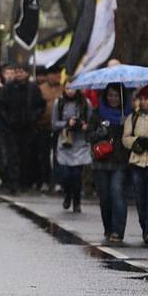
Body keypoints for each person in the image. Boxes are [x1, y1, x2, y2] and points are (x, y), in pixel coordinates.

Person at [87, 83, 131, 242]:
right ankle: (108, 228)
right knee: (105, 197)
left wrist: (124, 125)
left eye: (117, 96)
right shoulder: (98, 112)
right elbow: (88, 136)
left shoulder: (129, 113)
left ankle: (118, 231)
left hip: (120, 161)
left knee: (117, 193)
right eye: (110, 95)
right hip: (101, 162)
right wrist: (101, 132)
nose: (113, 99)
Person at [0, 64, 46, 193]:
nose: (19, 74)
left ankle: (24, 181)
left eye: (21, 72)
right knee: (12, 155)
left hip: (27, 127)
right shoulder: (8, 87)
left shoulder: (33, 88)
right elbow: (1, 105)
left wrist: (33, 117)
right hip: (11, 127)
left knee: (25, 155)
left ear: (27, 73)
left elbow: (40, 105)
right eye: (17, 72)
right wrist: (8, 119)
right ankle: (13, 182)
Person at [122, 85, 148, 244]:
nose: (144, 102)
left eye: (147, 99)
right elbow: (125, 138)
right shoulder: (133, 118)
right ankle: (144, 224)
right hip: (137, 162)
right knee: (140, 198)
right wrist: (136, 143)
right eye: (142, 98)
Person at [51, 83, 92, 213]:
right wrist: (67, 123)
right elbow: (54, 123)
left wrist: (85, 125)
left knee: (77, 175)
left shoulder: (86, 103)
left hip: (80, 143)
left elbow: (91, 122)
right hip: (65, 141)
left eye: (73, 88)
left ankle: (77, 201)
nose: (70, 91)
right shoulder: (59, 102)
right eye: (68, 88)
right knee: (66, 174)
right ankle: (67, 194)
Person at [36, 68, 63, 190]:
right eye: (54, 74)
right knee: (43, 155)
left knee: (58, 156)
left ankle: (57, 181)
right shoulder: (41, 89)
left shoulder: (62, 89)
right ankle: (44, 180)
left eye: (58, 74)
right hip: (43, 126)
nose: (57, 76)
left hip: (59, 128)